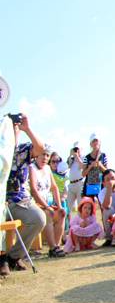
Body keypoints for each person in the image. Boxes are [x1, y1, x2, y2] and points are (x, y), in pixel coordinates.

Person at [4, 114, 48, 271]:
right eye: (9, 128)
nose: (11, 131)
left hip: (19, 201)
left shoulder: (21, 151)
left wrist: (27, 129)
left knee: (38, 218)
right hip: (1, 202)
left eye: (14, 128)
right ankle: (2, 259)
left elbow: (40, 149)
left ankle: (13, 257)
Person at [28, 146, 66, 257]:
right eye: (43, 154)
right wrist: (47, 207)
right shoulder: (31, 168)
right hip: (33, 204)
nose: (45, 157)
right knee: (48, 214)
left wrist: (59, 206)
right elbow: (34, 191)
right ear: (37, 155)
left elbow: (54, 188)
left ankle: (56, 246)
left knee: (61, 214)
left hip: (46, 204)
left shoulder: (48, 168)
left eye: (47, 155)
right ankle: (53, 247)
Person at [65, 142, 87, 214]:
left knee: (81, 206)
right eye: (75, 149)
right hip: (71, 184)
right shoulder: (72, 158)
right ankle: (67, 220)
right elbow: (67, 166)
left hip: (80, 183)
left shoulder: (84, 157)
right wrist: (70, 155)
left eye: (78, 149)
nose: (76, 150)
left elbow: (82, 167)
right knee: (67, 206)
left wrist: (77, 157)